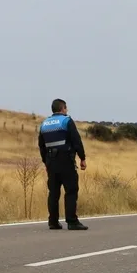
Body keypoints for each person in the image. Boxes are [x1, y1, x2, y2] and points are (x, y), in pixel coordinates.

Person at [38, 98, 87, 230]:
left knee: (53, 193)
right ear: (62, 108)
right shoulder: (66, 121)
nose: (67, 110)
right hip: (66, 161)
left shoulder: (44, 124)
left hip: (51, 162)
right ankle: (72, 221)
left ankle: (53, 222)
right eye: (66, 108)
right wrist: (82, 158)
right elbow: (76, 141)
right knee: (71, 190)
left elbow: (41, 146)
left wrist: (46, 163)